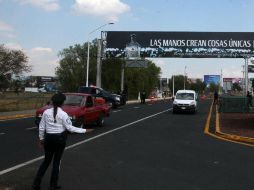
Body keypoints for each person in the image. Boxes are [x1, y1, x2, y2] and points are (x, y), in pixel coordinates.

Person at [32, 92, 93, 190]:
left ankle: (36, 184)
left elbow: (42, 127)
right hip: (59, 140)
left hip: (48, 139)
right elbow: (70, 128)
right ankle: (53, 185)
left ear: (52, 102)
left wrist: (41, 139)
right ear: (62, 103)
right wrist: (85, 130)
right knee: (56, 162)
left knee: (46, 162)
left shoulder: (46, 112)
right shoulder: (64, 114)